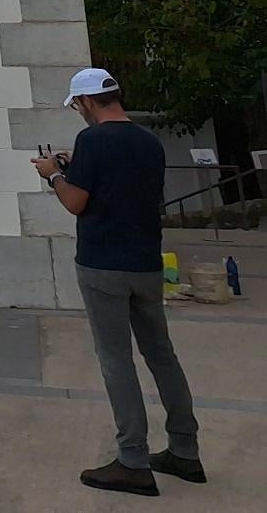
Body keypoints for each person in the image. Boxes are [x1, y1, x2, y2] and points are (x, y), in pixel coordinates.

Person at [31, 67, 204, 498]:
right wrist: (75, 165)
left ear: (87, 102)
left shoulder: (93, 140)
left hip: (103, 264)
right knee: (161, 355)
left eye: (77, 106)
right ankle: (184, 448)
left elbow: (76, 202)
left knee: (116, 359)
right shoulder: (148, 141)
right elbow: (123, 183)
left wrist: (52, 174)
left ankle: (132, 459)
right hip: (146, 264)